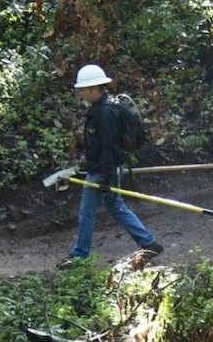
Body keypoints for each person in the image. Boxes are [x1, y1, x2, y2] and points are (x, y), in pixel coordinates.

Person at [60, 64, 163, 268]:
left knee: (87, 212)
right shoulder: (99, 110)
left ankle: (80, 255)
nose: (80, 93)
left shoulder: (105, 113)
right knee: (116, 207)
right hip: (101, 168)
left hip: (103, 171)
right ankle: (149, 243)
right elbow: (98, 146)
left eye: (83, 89)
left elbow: (109, 147)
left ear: (94, 89)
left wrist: (105, 177)